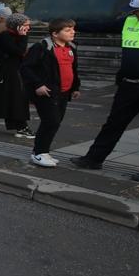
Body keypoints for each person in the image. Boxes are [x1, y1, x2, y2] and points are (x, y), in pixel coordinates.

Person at [72, 0, 139, 181]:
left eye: (137, 10)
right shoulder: (129, 21)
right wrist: (75, 25)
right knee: (114, 123)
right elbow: (103, 25)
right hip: (128, 85)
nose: (134, 13)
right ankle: (93, 159)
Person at [20, 18, 81, 168]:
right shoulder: (41, 47)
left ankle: (44, 152)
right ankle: (38, 153)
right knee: (51, 121)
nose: (72, 32)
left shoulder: (71, 47)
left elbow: (73, 69)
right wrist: (38, 85)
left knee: (55, 122)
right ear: (55, 33)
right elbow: (25, 68)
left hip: (64, 93)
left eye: (73, 29)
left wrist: (75, 87)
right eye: (67, 30)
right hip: (46, 92)